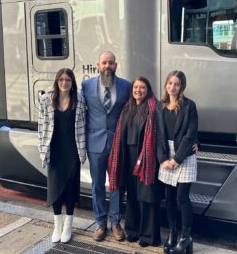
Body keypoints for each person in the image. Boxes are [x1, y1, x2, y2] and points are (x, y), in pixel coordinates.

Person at [82, 51, 131, 242]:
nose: (107, 66)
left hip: (118, 144)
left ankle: (116, 222)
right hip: (95, 144)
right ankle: (100, 223)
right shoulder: (86, 85)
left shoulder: (126, 86)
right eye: (104, 63)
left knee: (116, 185)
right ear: (98, 65)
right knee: (97, 186)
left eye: (111, 63)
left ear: (116, 65)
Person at [108, 77, 163, 247]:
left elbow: (162, 132)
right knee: (131, 196)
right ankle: (132, 231)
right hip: (128, 157)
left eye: (142, 87)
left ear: (148, 90)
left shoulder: (154, 107)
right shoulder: (127, 108)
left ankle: (148, 236)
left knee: (146, 197)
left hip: (147, 158)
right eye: (136, 87)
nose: (138, 90)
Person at [38, 68, 87, 243]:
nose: (64, 82)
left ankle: (68, 226)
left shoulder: (79, 100)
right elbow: (41, 126)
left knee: (70, 189)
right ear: (57, 81)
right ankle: (57, 225)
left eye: (68, 80)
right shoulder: (46, 100)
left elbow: (84, 125)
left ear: (72, 82)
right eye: (61, 79)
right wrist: (41, 147)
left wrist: (83, 149)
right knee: (55, 188)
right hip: (54, 150)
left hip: (72, 150)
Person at [157, 70, 198, 254]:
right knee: (170, 198)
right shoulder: (160, 106)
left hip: (185, 154)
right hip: (166, 155)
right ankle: (172, 233)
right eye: (170, 83)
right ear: (166, 84)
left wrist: (177, 159)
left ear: (182, 87)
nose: (173, 86)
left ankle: (185, 237)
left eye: (177, 84)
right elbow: (158, 136)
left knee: (182, 198)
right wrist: (163, 159)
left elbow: (190, 135)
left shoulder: (189, 106)